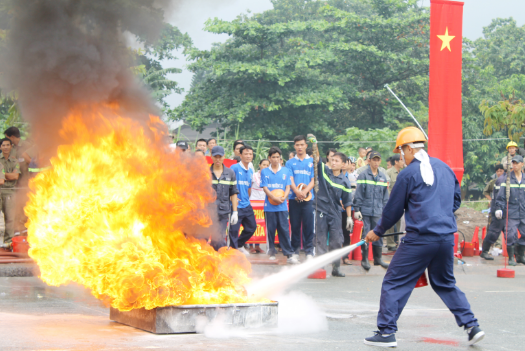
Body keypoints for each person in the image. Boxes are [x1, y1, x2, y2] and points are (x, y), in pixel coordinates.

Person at [363, 127, 483, 347]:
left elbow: (394, 209)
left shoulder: (408, 174)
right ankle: (472, 326)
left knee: (394, 282)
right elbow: (455, 201)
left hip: (419, 239)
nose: (401, 157)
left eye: (401, 151)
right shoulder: (445, 168)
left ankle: (386, 332)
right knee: (445, 283)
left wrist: (377, 231)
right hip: (446, 238)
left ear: (410, 148)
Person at [313, 151, 353, 276]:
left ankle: (336, 268)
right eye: (332, 160)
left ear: (343, 164)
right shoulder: (324, 171)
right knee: (321, 239)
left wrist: (349, 218)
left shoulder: (345, 181)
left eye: (337, 161)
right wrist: (315, 144)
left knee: (336, 240)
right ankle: (321, 267)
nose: (334, 163)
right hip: (322, 210)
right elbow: (317, 158)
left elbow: (347, 201)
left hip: (335, 212)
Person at [261, 147, 298, 264]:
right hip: (269, 206)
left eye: (278, 157)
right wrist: (272, 197)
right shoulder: (265, 171)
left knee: (284, 229)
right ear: (269, 158)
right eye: (273, 157)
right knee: (271, 230)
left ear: (280, 159)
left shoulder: (286, 171)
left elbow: (288, 187)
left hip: (282, 206)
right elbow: (265, 187)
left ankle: (289, 254)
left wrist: (283, 197)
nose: (276, 159)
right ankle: (271, 251)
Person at [353, 151, 389, 270]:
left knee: (378, 233)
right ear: (369, 161)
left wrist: (385, 210)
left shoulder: (382, 177)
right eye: (374, 159)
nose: (376, 162)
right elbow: (358, 194)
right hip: (365, 210)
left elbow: (385, 197)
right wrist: (357, 209)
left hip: (378, 211)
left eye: (378, 160)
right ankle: (364, 259)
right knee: (365, 234)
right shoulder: (363, 175)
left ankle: (378, 259)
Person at [286, 135, 315, 260]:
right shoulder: (289, 162)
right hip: (294, 198)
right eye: (297, 145)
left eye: (302, 144)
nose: (300, 147)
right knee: (295, 225)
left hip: (308, 200)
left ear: (306, 146)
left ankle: (309, 252)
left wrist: (305, 192)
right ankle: (295, 252)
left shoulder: (312, 162)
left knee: (309, 225)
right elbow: (290, 179)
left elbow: (314, 180)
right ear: (294, 146)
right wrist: (297, 192)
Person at [494, 155, 525, 265]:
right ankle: (511, 257)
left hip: (523, 212)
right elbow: (501, 196)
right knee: (510, 235)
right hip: (511, 212)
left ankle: (521, 256)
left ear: (522, 164)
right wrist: (499, 208)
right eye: (513, 163)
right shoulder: (507, 179)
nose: (515, 165)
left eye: (517, 163)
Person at [229, 145, 257, 255]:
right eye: (246, 153)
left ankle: (239, 244)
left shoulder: (250, 171)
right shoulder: (234, 168)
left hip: (246, 204)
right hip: (236, 205)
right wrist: (232, 198)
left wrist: (246, 198)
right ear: (240, 155)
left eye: (250, 154)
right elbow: (229, 185)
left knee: (251, 227)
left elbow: (249, 188)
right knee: (234, 230)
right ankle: (233, 250)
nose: (248, 156)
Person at [209, 146, 239, 251]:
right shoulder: (205, 173)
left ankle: (220, 263)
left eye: (220, 157)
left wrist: (235, 212)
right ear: (211, 156)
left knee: (219, 239)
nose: (218, 159)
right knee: (204, 240)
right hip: (208, 213)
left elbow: (234, 193)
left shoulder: (230, 173)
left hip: (223, 212)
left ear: (224, 157)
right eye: (215, 156)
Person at [480, 164, 506, 259]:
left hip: (509, 210)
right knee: (494, 231)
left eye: (501, 170)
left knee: (510, 233)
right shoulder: (495, 182)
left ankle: (513, 255)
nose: (500, 172)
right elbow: (487, 192)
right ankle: (486, 250)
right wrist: (491, 200)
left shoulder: (513, 181)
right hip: (497, 209)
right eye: (498, 171)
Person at [0, 138, 19, 245]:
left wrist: (2, 175)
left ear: (11, 146)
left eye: (8, 145)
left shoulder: (14, 160)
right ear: (0, 147)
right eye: (3, 145)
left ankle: (8, 242)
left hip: (9, 191)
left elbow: (15, 176)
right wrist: (8, 175)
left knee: (10, 218)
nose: (6, 147)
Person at [249, 158, 270, 254]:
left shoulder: (269, 176)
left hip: (263, 202)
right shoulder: (253, 176)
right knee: (251, 224)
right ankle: (251, 246)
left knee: (260, 225)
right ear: (260, 165)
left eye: (267, 165)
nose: (265, 167)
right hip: (253, 202)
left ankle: (258, 246)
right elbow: (249, 188)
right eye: (264, 164)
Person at [385, 154, 405, 251]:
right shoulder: (388, 173)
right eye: (401, 160)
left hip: (400, 203)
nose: (403, 162)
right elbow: (386, 189)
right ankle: (390, 243)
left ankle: (397, 242)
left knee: (399, 223)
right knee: (390, 225)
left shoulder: (402, 173)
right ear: (396, 161)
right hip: (391, 202)